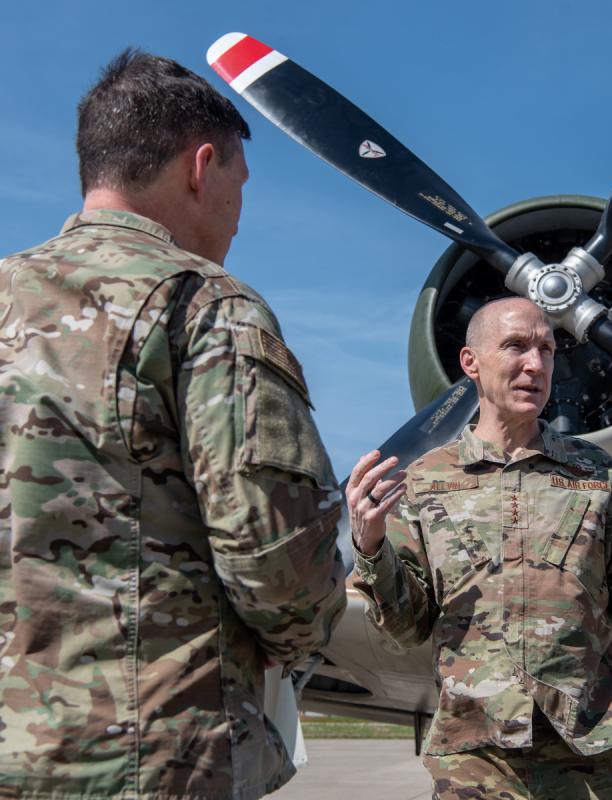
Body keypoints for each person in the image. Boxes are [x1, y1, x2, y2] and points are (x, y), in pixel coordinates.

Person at [0, 50, 347, 798]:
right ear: (201, 166)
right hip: (157, 756)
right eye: (238, 183)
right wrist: (309, 632)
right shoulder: (207, 304)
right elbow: (276, 564)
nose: (238, 210)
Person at [347, 296, 612, 799]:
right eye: (515, 346)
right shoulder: (426, 480)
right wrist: (370, 544)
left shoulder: (599, 473)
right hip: (477, 762)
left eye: (547, 349)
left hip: (590, 760)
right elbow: (407, 625)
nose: (535, 365)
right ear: (470, 362)